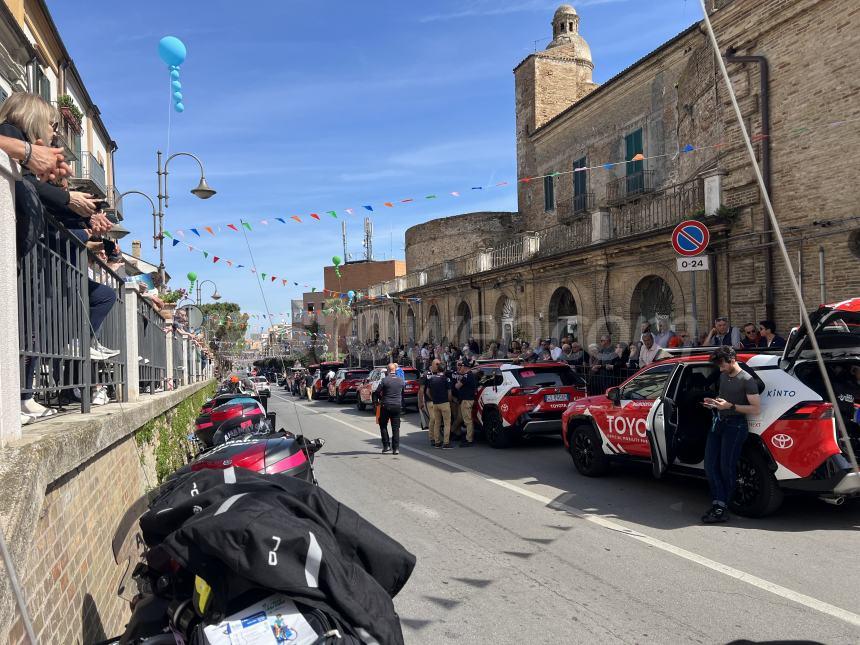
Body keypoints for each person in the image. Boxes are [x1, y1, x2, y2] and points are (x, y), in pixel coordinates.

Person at [701, 346, 761, 523]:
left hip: (735, 427)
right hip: (718, 422)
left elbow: (756, 409)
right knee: (710, 465)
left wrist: (730, 407)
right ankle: (719, 501)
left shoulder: (747, 380)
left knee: (726, 467)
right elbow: (724, 400)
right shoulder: (723, 374)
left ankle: (721, 505)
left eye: (722, 364)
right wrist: (714, 403)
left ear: (732, 360)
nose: (720, 368)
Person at [422, 359, 453, 449]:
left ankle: (437, 442)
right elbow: (449, 393)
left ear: (438, 369)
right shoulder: (446, 379)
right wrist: (449, 401)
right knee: (447, 423)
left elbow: (427, 391)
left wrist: (433, 398)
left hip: (435, 403)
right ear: (444, 370)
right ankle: (446, 443)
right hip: (444, 403)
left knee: (437, 423)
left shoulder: (432, 379)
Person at [377, 363, 404, 454]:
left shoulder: (384, 380)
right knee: (396, 428)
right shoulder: (401, 380)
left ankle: (386, 446)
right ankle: (396, 448)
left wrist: (380, 400)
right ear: (395, 370)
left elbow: (377, 392)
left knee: (383, 425)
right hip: (397, 405)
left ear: (388, 370)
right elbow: (402, 392)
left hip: (386, 405)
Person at [453, 360, 477, 447]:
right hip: (468, 400)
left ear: (465, 367)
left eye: (461, 366)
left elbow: (457, 386)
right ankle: (468, 437)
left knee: (467, 420)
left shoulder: (466, 376)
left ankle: (469, 440)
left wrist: (458, 380)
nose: (460, 368)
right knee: (467, 420)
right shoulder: (470, 375)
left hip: (466, 400)